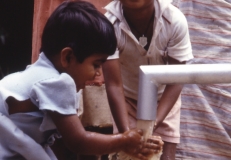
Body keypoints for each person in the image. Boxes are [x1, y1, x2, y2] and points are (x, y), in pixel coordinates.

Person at [0, 1, 163, 160]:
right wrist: (124, 140)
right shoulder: (56, 82)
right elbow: (79, 141)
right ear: (68, 57)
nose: (98, 74)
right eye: (96, 64)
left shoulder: (39, 72)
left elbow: (62, 140)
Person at [99, 0, 194, 159]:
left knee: (164, 153)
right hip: (126, 100)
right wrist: (126, 133)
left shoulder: (174, 21)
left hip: (163, 98)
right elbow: (114, 85)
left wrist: (153, 123)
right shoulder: (109, 25)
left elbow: (177, 79)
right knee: (127, 153)